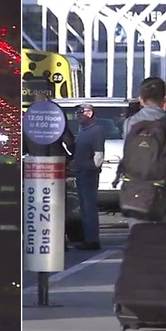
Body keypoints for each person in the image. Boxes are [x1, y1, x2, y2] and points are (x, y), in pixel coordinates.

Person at [122, 77, 166, 215]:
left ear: (141, 99)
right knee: (159, 235)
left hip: (132, 192)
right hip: (161, 192)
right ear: (165, 98)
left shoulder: (130, 123)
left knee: (137, 234)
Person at [71, 104, 105, 250]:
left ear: (89, 113)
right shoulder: (82, 130)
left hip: (89, 173)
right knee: (84, 207)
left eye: (80, 112)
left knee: (89, 206)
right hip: (80, 172)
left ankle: (92, 240)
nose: (77, 115)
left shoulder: (96, 130)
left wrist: (88, 166)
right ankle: (87, 237)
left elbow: (98, 156)